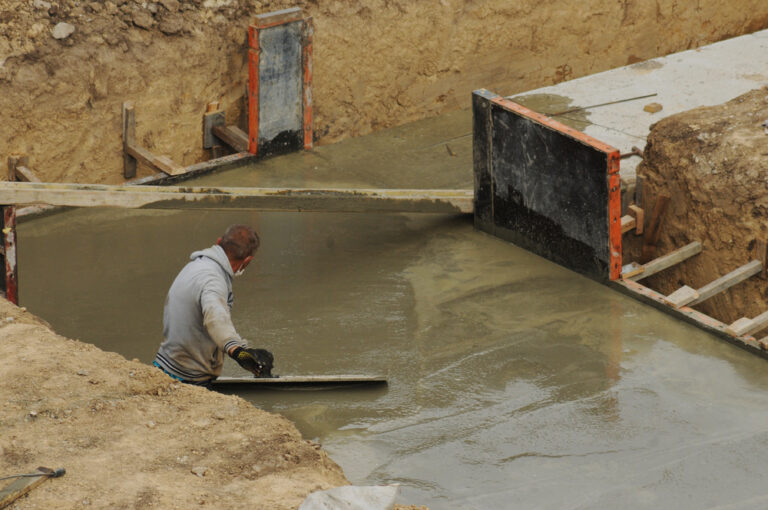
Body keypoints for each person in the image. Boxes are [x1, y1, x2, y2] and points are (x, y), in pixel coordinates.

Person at [153, 224, 273, 388]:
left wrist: (245, 348)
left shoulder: (196, 266)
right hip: (189, 376)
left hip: (164, 365)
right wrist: (239, 352)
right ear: (247, 261)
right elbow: (216, 319)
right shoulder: (213, 280)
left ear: (218, 242)